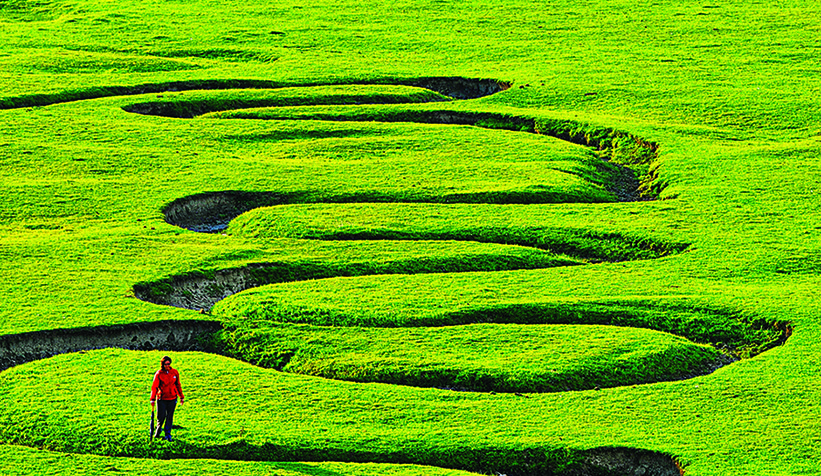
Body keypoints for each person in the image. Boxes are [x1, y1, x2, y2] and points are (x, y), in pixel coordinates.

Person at [150, 355, 184, 441]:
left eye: (168, 364)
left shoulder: (174, 372)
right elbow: (154, 387)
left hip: (172, 398)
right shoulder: (159, 374)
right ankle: (158, 429)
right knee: (161, 416)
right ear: (162, 364)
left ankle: (167, 434)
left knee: (169, 416)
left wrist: (181, 396)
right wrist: (152, 399)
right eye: (165, 364)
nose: (167, 366)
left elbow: (178, 384)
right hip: (162, 399)